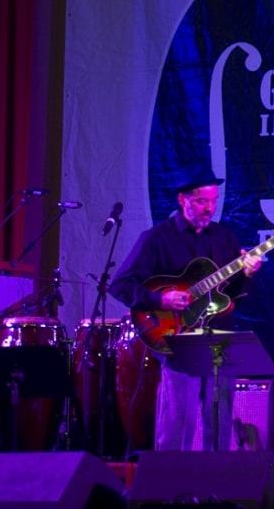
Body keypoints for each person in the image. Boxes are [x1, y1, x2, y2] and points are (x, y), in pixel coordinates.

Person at [110, 163, 263, 450]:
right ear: (183, 200)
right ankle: (170, 479)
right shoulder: (157, 239)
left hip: (218, 341)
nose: (209, 208)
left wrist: (246, 275)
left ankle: (217, 478)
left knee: (220, 425)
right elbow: (120, 285)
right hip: (178, 341)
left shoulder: (224, 238)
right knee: (178, 426)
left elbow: (232, 297)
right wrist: (160, 300)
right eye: (202, 201)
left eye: (213, 201)